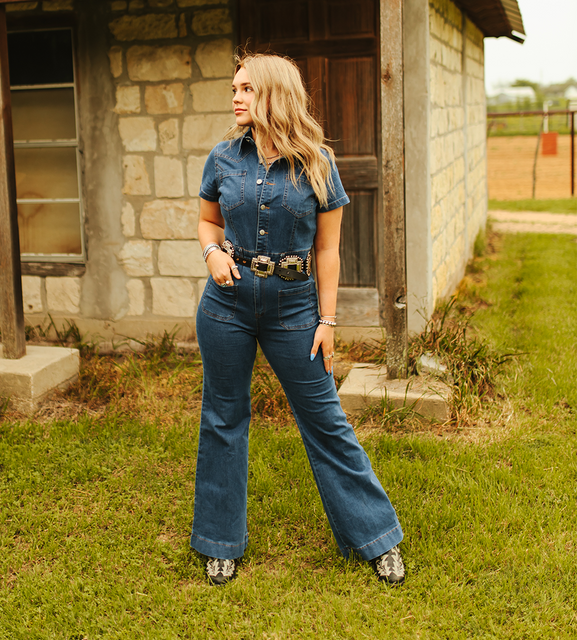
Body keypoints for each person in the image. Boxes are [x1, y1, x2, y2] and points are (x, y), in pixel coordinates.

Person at [192, 53, 405, 587]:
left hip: (294, 308)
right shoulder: (222, 157)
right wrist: (213, 254)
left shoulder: (317, 164)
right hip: (227, 305)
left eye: (245, 88)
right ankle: (220, 543)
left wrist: (327, 320)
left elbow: (329, 252)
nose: (235, 97)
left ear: (273, 94)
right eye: (233, 87)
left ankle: (377, 538)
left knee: (325, 421)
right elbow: (205, 221)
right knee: (223, 417)